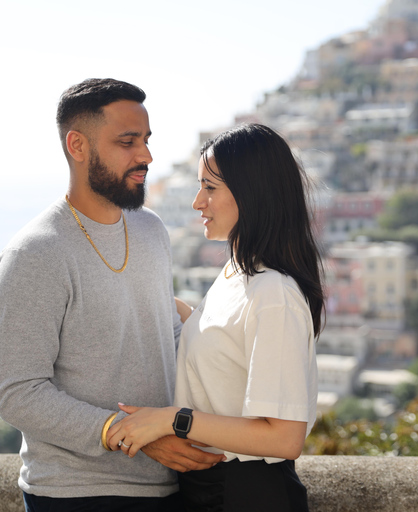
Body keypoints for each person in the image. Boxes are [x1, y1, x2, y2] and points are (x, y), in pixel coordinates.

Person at [0, 78, 224, 512]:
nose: (147, 156)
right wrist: (135, 435)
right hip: (78, 495)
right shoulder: (35, 253)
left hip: (170, 484)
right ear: (78, 146)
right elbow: (17, 392)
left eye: (147, 140)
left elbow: (162, 339)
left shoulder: (151, 230)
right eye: (127, 141)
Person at [107, 123, 325, 511]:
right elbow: (223, 342)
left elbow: (284, 438)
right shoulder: (236, 273)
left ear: (252, 193)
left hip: (246, 493)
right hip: (207, 488)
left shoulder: (274, 293)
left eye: (210, 187)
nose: (197, 202)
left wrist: (173, 420)